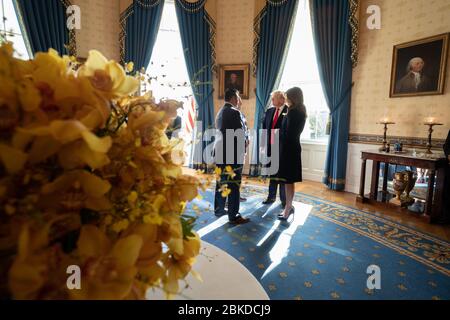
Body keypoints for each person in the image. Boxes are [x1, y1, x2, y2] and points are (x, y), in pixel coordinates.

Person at [213, 88, 250, 225]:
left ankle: (219, 209)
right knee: (234, 185)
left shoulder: (220, 112)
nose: (239, 100)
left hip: (220, 153)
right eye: (238, 97)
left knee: (221, 182)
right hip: (232, 154)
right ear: (234, 98)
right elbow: (240, 134)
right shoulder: (235, 112)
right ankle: (233, 215)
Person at [277, 87, 307, 220]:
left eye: (287, 96)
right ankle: (288, 207)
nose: (286, 99)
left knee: (288, 180)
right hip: (292, 147)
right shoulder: (298, 110)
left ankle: (288, 208)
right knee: (289, 181)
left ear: (293, 97)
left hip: (289, 148)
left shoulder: (294, 112)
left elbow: (288, 133)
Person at [261, 91, 288, 208]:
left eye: (273, 99)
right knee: (272, 173)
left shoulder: (289, 111)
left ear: (281, 99)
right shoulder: (269, 111)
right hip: (270, 147)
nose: (271, 101)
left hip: (283, 149)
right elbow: (264, 128)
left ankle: (284, 200)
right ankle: (271, 197)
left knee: (282, 174)